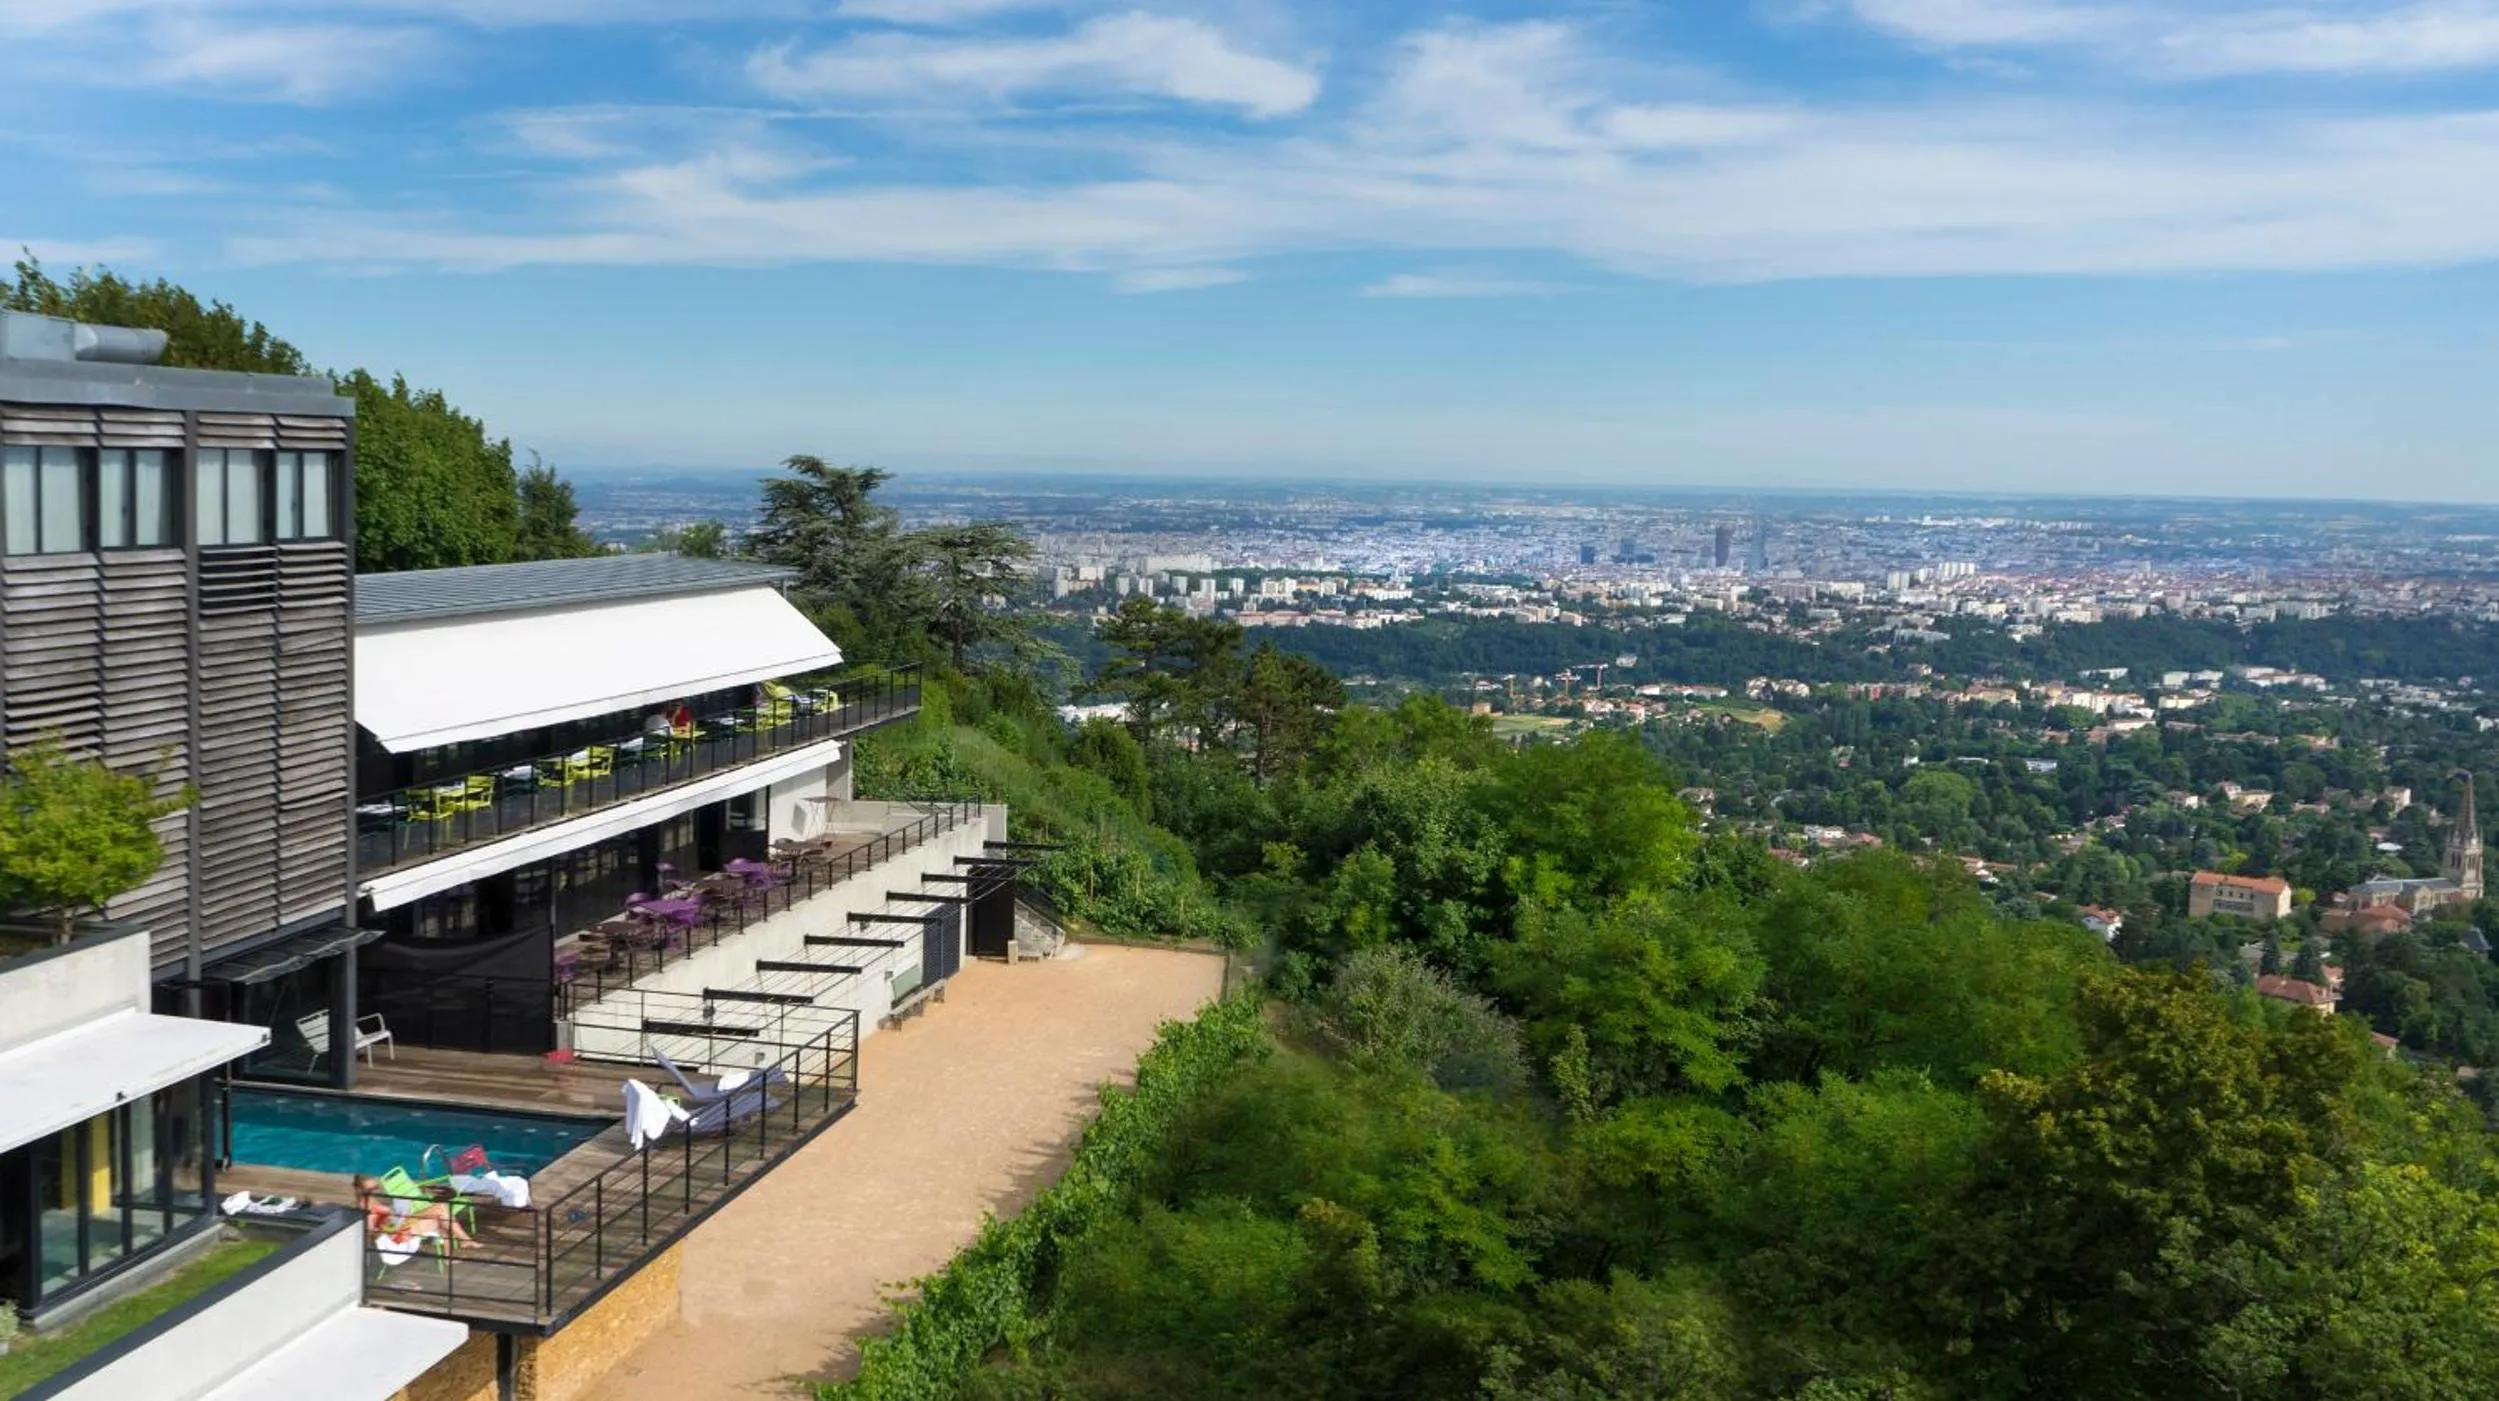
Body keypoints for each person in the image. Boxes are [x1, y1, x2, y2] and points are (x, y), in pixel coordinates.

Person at [354, 1173, 476, 1247]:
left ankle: (459, 1246)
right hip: (397, 1234)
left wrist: (395, 1211)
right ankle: (464, 1240)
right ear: (361, 1189)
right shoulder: (363, 1206)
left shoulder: (370, 1200)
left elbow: (383, 1217)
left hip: (401, 1224)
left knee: (441, 1216)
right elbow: (373, 1231)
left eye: (375, 1188)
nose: (375, 1191)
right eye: (371, 1189)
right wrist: (391, 1224)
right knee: (440, 1210)